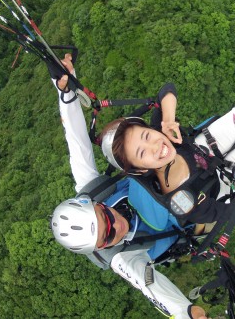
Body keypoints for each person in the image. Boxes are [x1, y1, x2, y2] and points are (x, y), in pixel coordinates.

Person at [49, 55, 208, 319]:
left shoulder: (93, 190)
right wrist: (186, 312)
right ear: (101, 247)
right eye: (108, 236)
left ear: (98, 205)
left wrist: (65, 91)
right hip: (185, 221)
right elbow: (149, 286)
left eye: (106, 217)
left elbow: (77, 142)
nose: (116, 226)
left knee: (184, 135)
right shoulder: (120, 257)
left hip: (159, 179)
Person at [100, 52, 235, 229]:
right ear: (140, 170)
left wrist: (167, 120)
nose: (155, 145)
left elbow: (166, 90)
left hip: (205, 146)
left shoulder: (162, 135)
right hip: (225, 180)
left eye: (146, 135)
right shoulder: (182, 202)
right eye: (142, 153)